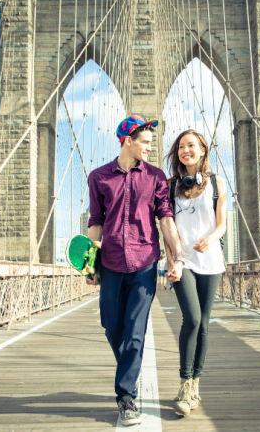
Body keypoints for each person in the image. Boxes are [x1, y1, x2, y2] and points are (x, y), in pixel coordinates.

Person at [87, 115, 184, 426]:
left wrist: (176, 257)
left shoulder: (156, 178)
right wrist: (90, 261)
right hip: (111, 263)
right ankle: (129, 370)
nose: (150, 148)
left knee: (135, 332)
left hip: (144, 262)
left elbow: (166, 219)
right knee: (111, 325)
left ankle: (126, 396)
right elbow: (96, 222)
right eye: (145, 142)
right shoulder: (99, 177)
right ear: (127, 140)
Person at [165, 129, 227, 417]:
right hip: (184, 261)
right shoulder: (170, 187)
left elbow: (222, 225)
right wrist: (173, 260)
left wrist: (211, 239)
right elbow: (166, 229)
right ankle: (184, 383)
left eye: (190, 145)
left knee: (204, 323)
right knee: (191, 318)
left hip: (211, 260)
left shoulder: (216, 183)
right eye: (180, 147)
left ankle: (195, 384)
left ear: (203, 149)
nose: (184, 150)